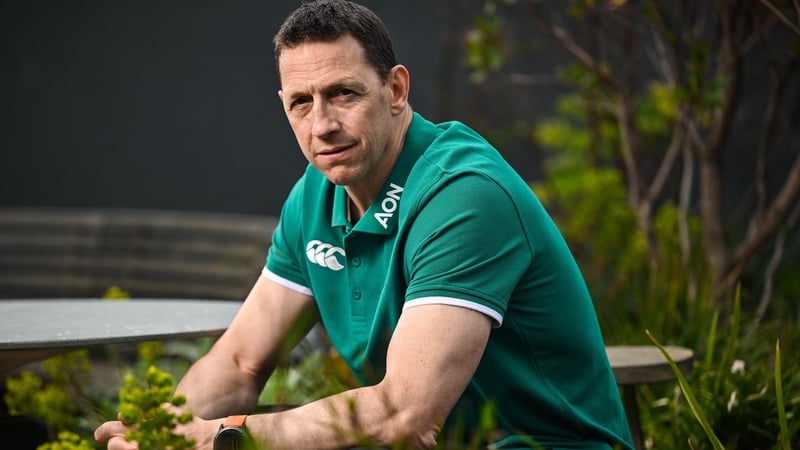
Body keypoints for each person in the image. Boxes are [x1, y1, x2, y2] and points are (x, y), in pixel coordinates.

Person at [95, 1, 633, 449]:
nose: (322, 125)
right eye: (301, 103)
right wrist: (161, 434)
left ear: (396, 90)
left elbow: (405, 413)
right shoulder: (315, 195)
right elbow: (239, 361)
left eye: (343, 94)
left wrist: (219, 437)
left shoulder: (464, 195)